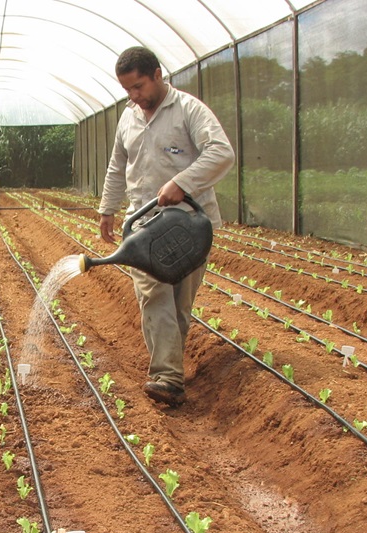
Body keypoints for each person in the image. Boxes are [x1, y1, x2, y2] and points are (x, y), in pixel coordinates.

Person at [98, 46, 235, 408]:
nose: (134, 96)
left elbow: (222, 153)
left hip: (190, 226)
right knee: (153, 293)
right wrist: (107, 208)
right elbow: (117, 165)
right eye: (127, 90)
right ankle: (167, 377)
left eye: (139, 86)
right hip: (144, 226)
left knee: (178, 303)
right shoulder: (129, 117)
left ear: (158, 75)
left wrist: (183, 183)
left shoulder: (189, 110)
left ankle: (170, 371)